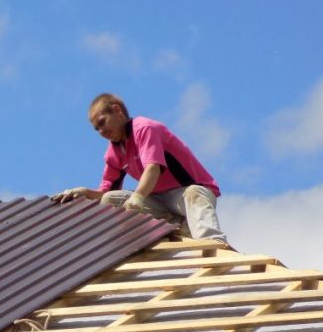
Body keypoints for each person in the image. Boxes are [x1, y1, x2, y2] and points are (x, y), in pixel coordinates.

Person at [52, 92, 227, 243]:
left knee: (193, 193)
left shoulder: (144, 128)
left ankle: (212, 244)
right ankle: (177, 226)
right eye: (97, 129)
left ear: (117, 110)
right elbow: (105, 193)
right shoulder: (114, 152)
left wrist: (138, 197)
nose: (101, 132)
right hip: (159, 200)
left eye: (102, 122)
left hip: (187, 194)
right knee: (111, 201)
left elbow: (153, 168)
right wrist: (85, 193)